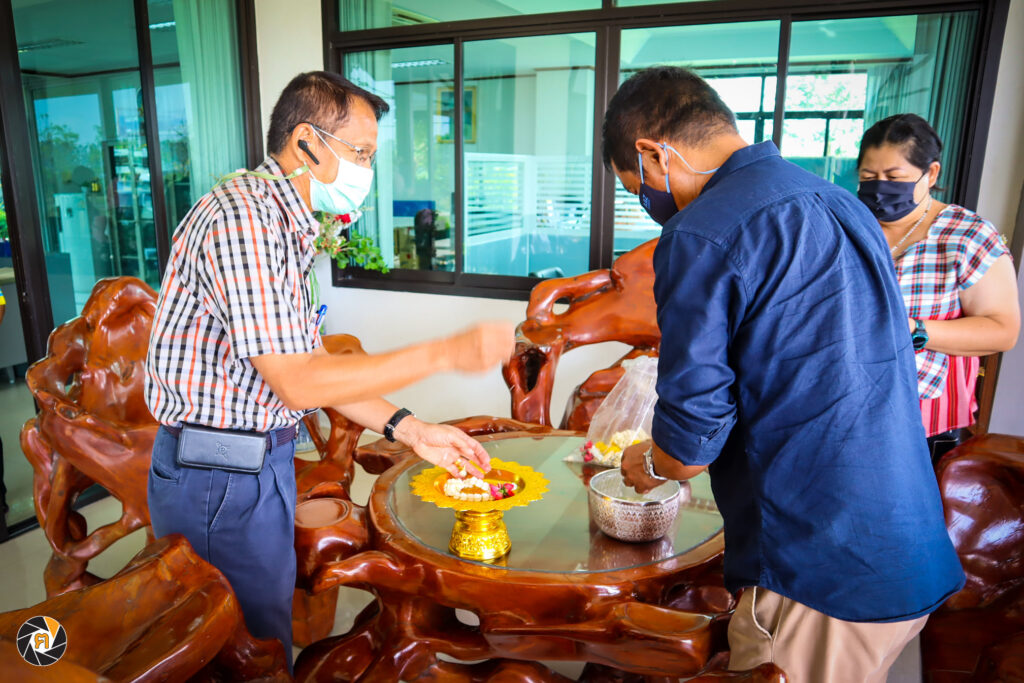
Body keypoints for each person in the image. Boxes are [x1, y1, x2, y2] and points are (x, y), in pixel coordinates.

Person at [604, 67, 964, 682]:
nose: (648, 201)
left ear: (653, 153)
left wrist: (653, 464)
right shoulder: (839, 203)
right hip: (906, 541)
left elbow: (690, 438)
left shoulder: (702, 231)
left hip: (817, 570)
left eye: (636, 186)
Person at [144, 71, 514, 669]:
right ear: (306, 142)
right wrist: (445, 352)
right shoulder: (244, 221)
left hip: (255, 463)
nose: (367, 170)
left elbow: (314, 366)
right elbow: (299, 383)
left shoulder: (283, 225)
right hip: (216, 476)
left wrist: (413, 429)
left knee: (263, 637)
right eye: (361, 153)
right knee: (241, 657)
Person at [857, 114, 1020, 462]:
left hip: (924, 420)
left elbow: (1002, 330)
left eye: (895, 178)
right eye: (868, 177)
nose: (880, 187)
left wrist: (913, 330)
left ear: (931, 174)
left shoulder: (967, 236)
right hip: (849, 407)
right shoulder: (851, 224)